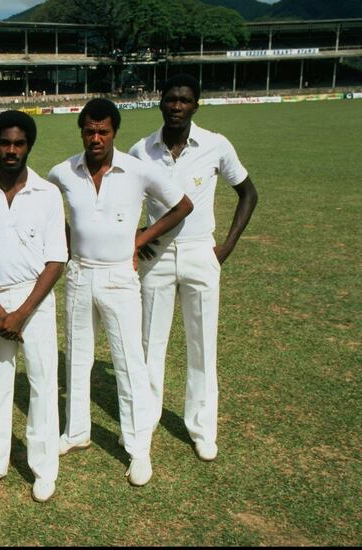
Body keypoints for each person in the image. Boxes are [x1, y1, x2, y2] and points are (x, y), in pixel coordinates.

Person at [47, 98, 193, 486]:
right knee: (77, 357)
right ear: (81, 131)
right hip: (79, 273)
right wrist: (63, 239)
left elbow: (182, 205)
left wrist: (141, 238)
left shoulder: (137, 170)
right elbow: (41, 203)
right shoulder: (64, 170)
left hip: (119, 277)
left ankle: (138, 449)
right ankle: (76, 431)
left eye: (103, 131)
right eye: (89, 131)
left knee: (129, 363)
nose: (96, 138)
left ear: (114, 133)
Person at [128, 74, 258, 462]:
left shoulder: (216, 145)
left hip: (203, 253)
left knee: (202, 346)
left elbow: (248, 193)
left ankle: (202, 429)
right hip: (158, 258)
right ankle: (146, 422)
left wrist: (226, 247)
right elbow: (125, 201)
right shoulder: (141, 150)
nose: (177, 106)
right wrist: (139, 234)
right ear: (160, 103)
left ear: (196, 105)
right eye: (171, 99)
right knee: (150, 344)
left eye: (185, 100)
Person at [0, 111, 67, 503]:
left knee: (43, 384)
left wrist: (22, 313)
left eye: (19, 143)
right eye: (4, 143)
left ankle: (43, 468)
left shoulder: (47, 193)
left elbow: (56, 259)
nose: (11, 150)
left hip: (35, 300)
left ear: (29, 146)